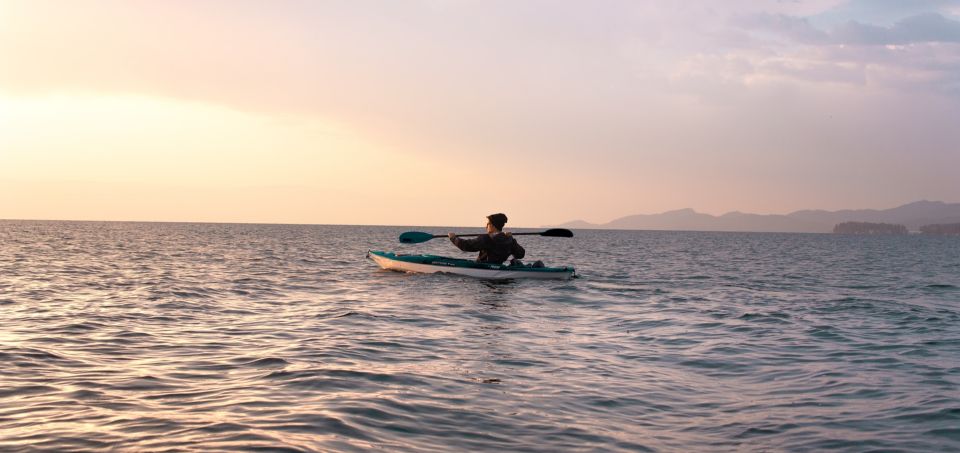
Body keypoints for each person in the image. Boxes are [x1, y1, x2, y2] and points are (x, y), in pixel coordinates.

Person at [448, 213, 525, 265]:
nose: (486, 226)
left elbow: (466, 245)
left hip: (483, 268)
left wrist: (453, 238)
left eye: (488, 224)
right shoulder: (509, 239)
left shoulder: (487, 238)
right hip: (498, 268)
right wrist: (512, 239)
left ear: (493, 226)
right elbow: (520, 254)